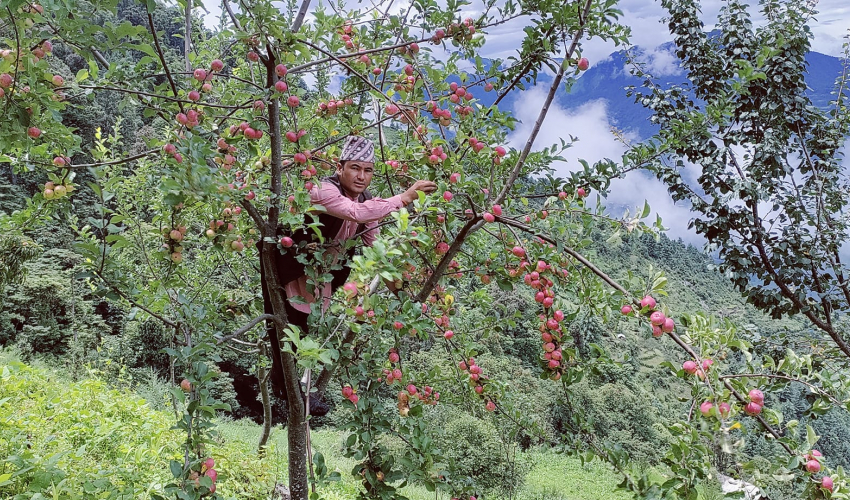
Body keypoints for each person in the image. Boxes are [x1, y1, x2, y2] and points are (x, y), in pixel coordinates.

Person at [261, 135, 436, 415]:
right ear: (339, 166)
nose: (361, 176)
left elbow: (375, 249)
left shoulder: (368, 202)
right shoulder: (323, 190)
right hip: (291, 269)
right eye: (355, 168)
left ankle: (301, 395)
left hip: (321, 277)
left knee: (309, 336)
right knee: (285, 334)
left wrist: (404, 295)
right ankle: (288, 392)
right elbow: (354, 213)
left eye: (368, 170)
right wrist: (403, 198)